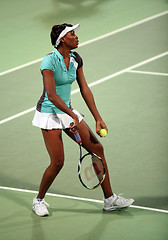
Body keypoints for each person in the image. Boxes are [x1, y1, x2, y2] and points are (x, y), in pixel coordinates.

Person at [32, 23, 134, 216]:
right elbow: (52, 95)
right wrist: (71, 117)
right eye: (72, 34)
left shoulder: (76, 58)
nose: (76, 36)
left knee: (97, 149)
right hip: (49, 113)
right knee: (58, 162)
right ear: (62, 39)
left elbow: (85, 89)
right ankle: (39, 200)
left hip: (67, 110)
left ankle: (109, 199)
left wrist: (97, 117)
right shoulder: (48, 62)